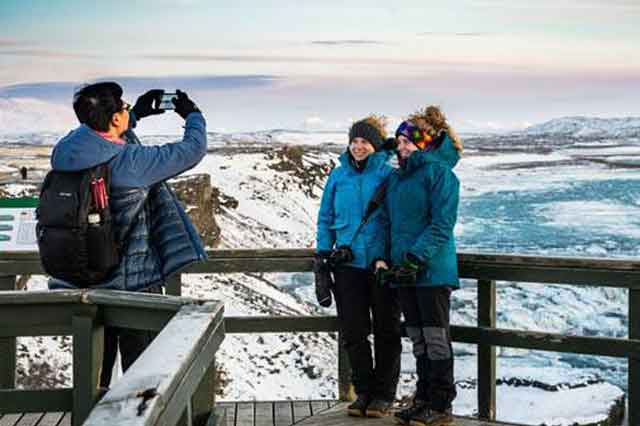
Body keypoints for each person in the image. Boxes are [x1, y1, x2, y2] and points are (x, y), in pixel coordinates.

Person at [48, 82, 208, 387]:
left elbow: (102, 137)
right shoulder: (131, 162)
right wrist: (192, 114)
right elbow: (192, 150)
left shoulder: (65, 153)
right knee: (143, 383)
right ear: (115, 119)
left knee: (93, 380)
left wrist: (134, 115)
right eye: (122, 107)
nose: (125, 109)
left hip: (82, 286)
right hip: (133, 289)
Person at [376, 106, 462, 426]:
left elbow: (442, 224)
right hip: (403, 271)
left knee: (436, 338)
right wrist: (384, 259)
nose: (401, 148)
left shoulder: (440, 175)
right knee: (418, 338)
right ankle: (423, 398)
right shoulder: (398, 178)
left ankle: (441, 404)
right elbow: (389, 223)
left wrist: (415, 258)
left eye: (408, 142)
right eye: (398, 142)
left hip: (431, 270)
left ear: (424, 144)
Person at [316, 116, 402, 417]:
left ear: (375, 145)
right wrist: (322, 256)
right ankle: (363, 391)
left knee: (386, 330)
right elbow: (325, 217)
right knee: (353, 330)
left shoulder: (389, 174)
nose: (358, 147)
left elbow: (397, 221)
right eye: (354, 141)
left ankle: (384, 394)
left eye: (364, 141)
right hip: (348, 264)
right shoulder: (338, 176)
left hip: (381, 264)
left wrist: (386, 256)